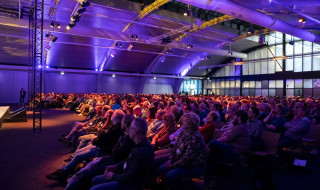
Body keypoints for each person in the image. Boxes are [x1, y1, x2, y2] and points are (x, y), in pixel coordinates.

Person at [90, 118, 154, 190]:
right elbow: (129, 160)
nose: (128, 130)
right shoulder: (139, 144)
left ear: (135, 131)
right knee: (95, 180)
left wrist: (113, 176)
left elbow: (131, 177)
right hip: (125, 176)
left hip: (132, 185)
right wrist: (116, 166)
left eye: (131, 128)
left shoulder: (143, 151)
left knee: (95, 188)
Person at [158, 112, 206, 190]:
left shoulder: (195, 137)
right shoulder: (184, 132)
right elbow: (176, 148)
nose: (182, 123)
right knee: (161, 169)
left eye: (184, 121)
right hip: (179, 160)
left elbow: (187, 158)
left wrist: (173, 165)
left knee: (170, 175)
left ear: (190, 124)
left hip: (194, 165)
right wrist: (171, 160)